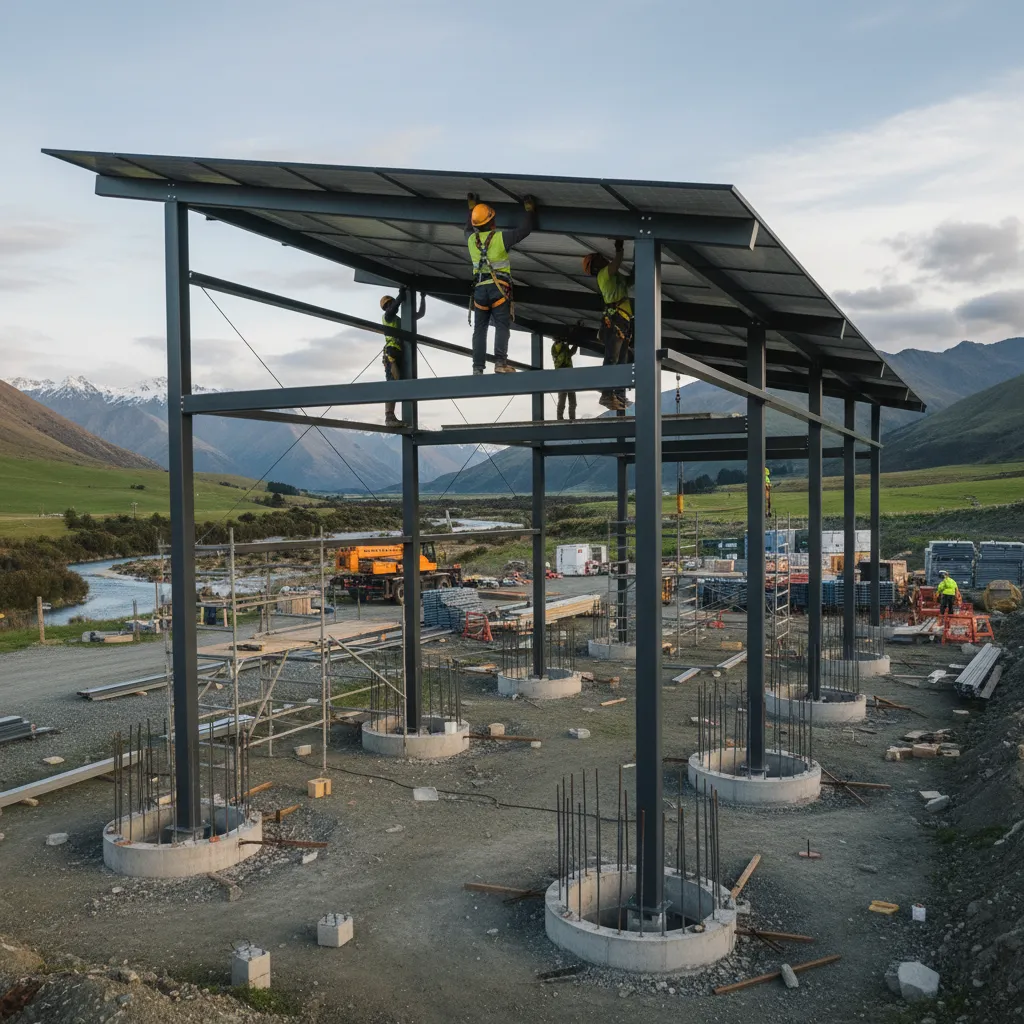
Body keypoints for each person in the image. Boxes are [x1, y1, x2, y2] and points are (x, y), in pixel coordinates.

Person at [465, 193, 537, 374]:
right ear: (492, 222)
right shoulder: (500, 238)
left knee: (479, 330)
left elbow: (468, 227)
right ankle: (500, 363)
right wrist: (529, 210)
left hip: (480, 291)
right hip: (498, 289)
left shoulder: (471, 240)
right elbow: (524, 230)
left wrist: (471, 209)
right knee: (502, 325)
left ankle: (477, 368)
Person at [582, 240, 633, 410]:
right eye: (599, 259)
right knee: (612, 357)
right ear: (595, 266)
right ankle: (606, 394)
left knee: (622, 360)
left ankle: (618, 394)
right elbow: (616, 263)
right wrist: (619, 249)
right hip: (616, 321)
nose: (603, 259)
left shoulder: (615, 278)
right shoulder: (603, 274)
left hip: (624, 321)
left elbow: (630, 281)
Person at [380, 289, 426, 426]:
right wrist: (401, 297)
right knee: (392, 383)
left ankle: (392, 417)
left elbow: (419, 314)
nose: (394, 305)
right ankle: (389, 417)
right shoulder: (387, 317)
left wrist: (423, 298)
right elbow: (392, 310)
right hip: (391, 354)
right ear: (387, 305)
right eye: (391, 303)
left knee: (400, 383)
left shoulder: (401, 320)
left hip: (399, 354)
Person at [551, 335, 579, 421]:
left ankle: (567, 418)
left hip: (565, 375)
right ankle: (565, 418)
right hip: (564, 375)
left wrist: (575, 345)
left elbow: (569, 354)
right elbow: (565, 356)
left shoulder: (560, 346)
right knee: (566, 400)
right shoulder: (557, 347)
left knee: (569, 400)